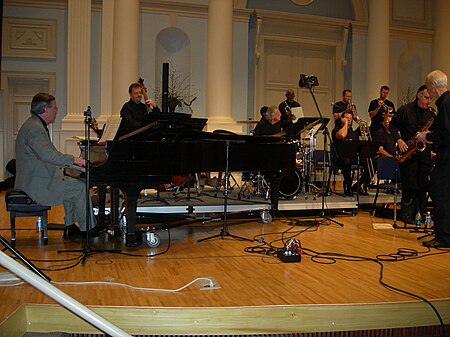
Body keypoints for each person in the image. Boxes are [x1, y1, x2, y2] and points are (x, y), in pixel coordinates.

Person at [14, 93, 106, 239]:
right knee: (80, 187)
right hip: (36, 183)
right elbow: (47, 156)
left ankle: (70, 227)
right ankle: (87, 229)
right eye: (55, 108)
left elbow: (48, 154)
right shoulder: (35, 128)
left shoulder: (34, 124)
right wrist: (75, 160)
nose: (57, 111)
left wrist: (71, 164)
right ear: (45, 110)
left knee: (73, 183)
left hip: (37, 177)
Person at [390, 85, 434, 224]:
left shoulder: (431, 114)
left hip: (424, 155)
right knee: (409, 185)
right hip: (408, 154)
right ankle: (407, 214)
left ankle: (419, 213)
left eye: (430, 98)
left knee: (422, 186)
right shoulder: (405, 110)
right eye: (426, 97)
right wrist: (399, 139)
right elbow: (392, 126)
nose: (429, 101)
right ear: (418, 95)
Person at [416, 70, 450, 248]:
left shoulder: (444, 104)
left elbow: (447, 134)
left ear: (434, 87)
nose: (428, 92)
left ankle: (443, 237)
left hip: (446, 158)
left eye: (428, 87)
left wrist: (427, 137)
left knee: (439, 194)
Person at [332, 111, 370, 196]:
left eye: (350, 119)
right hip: (339, 157)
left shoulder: (354, 133)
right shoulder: (336, 130)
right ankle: (347, 187)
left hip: (352, 156)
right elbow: (342, 135)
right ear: (342, 119)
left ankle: (357, 185)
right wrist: (345, 124)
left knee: (371, 163)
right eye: (346, 118)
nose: (349, 120)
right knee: (346, 161)